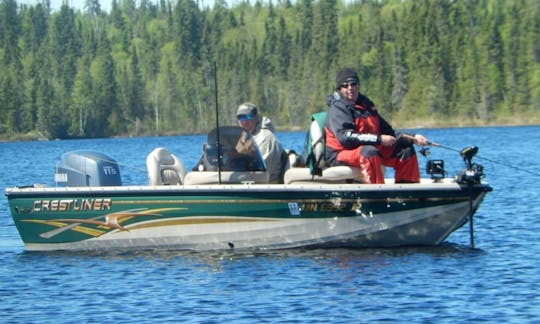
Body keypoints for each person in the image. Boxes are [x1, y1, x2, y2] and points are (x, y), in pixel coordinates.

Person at [324, 68, 430, 184]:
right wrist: (379, 139)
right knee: (368, 152)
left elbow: (388, 132)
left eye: (353, 84)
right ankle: (376, 194)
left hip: (367, 147)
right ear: (339, 89)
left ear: (358, 85)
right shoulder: (338, 109)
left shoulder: (367, 106)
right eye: (345, 85)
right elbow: (346, 138)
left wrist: (413, 137)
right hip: (340, 153)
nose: (350, 88)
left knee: (405, 149)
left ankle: (408, 193)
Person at [236, 102, 285, 183]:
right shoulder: (244, 137)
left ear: (256, 118)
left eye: (248, 117)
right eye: (240, 118)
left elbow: (262, 172)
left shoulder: (266, 137)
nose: (244, 122)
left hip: (267, 188)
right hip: (247, 182)